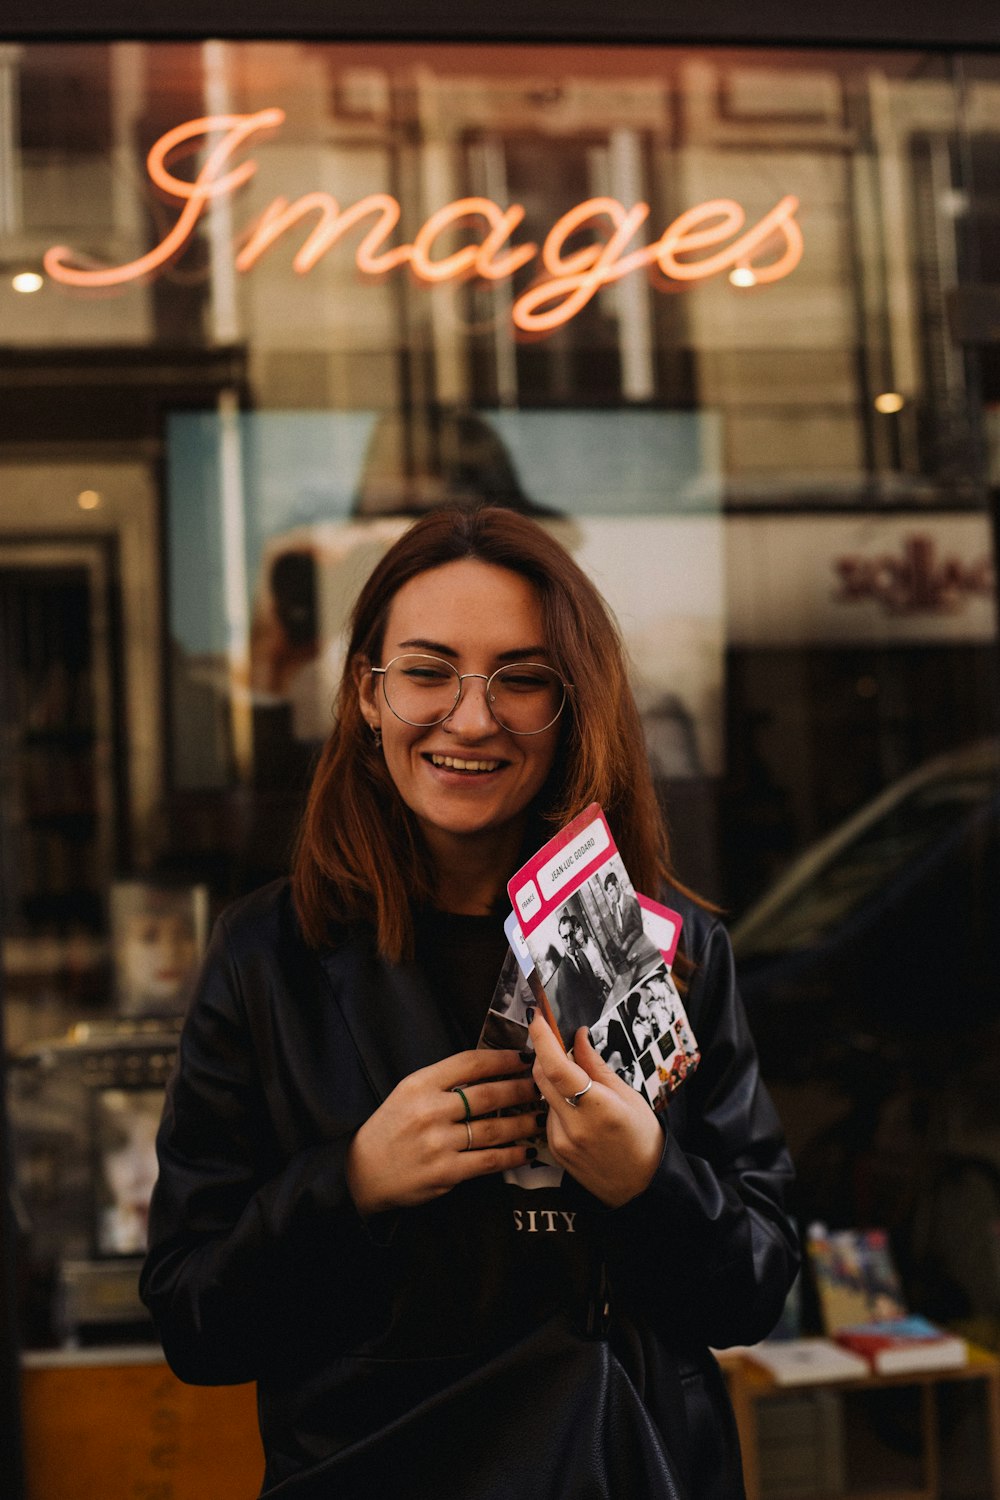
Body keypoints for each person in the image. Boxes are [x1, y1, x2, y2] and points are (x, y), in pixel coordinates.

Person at [140, 506, 799, 1500]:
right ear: (367, 693)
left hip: (620, 1465)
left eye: (522, 679)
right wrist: (351, 1181)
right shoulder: (269, 955)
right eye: (426, 671)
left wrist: (647, 1178)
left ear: (571, 703)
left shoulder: (661, 946)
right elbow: (195, 1321)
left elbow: (753, 1287)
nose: (473, 717)